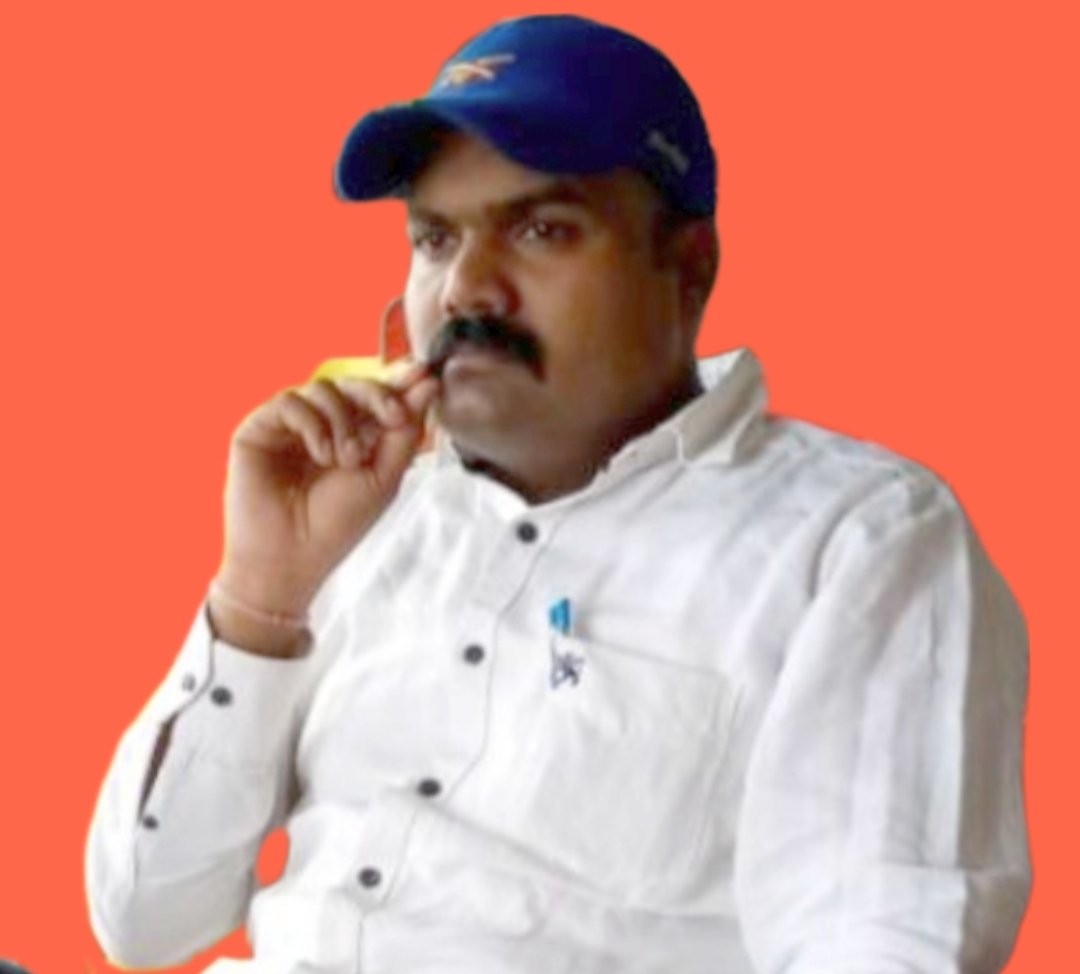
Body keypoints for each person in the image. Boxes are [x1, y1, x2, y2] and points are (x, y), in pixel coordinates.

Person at [86, 14, 1030, 974]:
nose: (466, 289)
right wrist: (261, 597)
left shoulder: (854, 540)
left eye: (541, 230)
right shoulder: (365, 514)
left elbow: (884, 946)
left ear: (690, 266)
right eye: (434, 238)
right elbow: (143, 921)